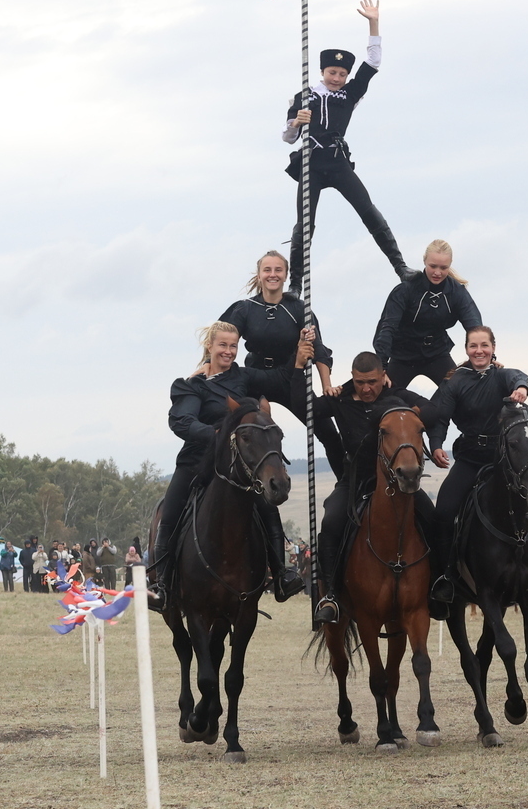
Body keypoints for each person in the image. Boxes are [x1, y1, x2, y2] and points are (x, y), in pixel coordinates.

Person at [145, 321, 307, 610]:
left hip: (237, 463)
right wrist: (216, 435)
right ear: (210, 345)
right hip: (197, 460)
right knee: (169, 511)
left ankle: (282, 574)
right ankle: (162, 585)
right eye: (223, 345)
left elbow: (278, 378)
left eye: (233, 346)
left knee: (267, 506)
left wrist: (298, 355)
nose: (229, 351)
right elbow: (182, 421)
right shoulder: (190, 385)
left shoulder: (243, 377)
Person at [420, 326, 528, 609]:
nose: (479, 351)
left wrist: (521, 389)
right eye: (473, 346)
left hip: (505, 460)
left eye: (484, 345)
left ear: (493, 348)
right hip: (470, 457)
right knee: (443, 511)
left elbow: (518, 376)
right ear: (466, 349)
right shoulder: (455, 382)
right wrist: (436, 445)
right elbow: (440, 419)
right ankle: (444, 576)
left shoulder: (501, 376)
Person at [282, 0, 411, 289]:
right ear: (322, 72)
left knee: (368, 210)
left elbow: (373, 63)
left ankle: (401, 267)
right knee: (305, 224)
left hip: (338, 162)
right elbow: (287, 137)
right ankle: (295, 285)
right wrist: (297, 122)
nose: (337, 78)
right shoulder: (305, 96)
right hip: (312, 164)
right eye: (332, 73)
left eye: (342, 74)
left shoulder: (349, 94)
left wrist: (374, 24)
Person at [307, 351, 439, 625]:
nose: (366, 389)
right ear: (352, 379)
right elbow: (306, 407)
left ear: (383, 377)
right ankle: (330, 595)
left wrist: (405, 411)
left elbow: (432, 410)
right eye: (359, 382)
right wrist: (308, 371)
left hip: (397, 481)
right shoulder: (341, 399)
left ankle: (439, 585)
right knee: (331, 522)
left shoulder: (396, 396)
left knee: (432, 518)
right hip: (355, 480)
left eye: (372, 382)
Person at [220, 251, 335, 417]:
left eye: (278, 270)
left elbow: (318, 348)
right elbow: (221, 341)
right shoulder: (244, 308)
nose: (272, 274)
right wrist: (207, 366)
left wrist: (327, 386)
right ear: (259, 275)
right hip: (254, 376)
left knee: (325, 427)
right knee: (230, 418)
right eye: (267, 270)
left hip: (289, 376)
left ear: (286, 275)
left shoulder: (299, 308)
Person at [372, 240, 484, 392]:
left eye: (443, 268)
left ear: (450, 265)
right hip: (403, 356)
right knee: (383, 396)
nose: (437, 272)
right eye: (433, 266)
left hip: (437, 355)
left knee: (463, 393)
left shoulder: (457, 292)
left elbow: (476, 329)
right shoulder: (405, 290)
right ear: (424, 261)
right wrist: (381, 367)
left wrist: (488, 359)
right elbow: (387, 329)